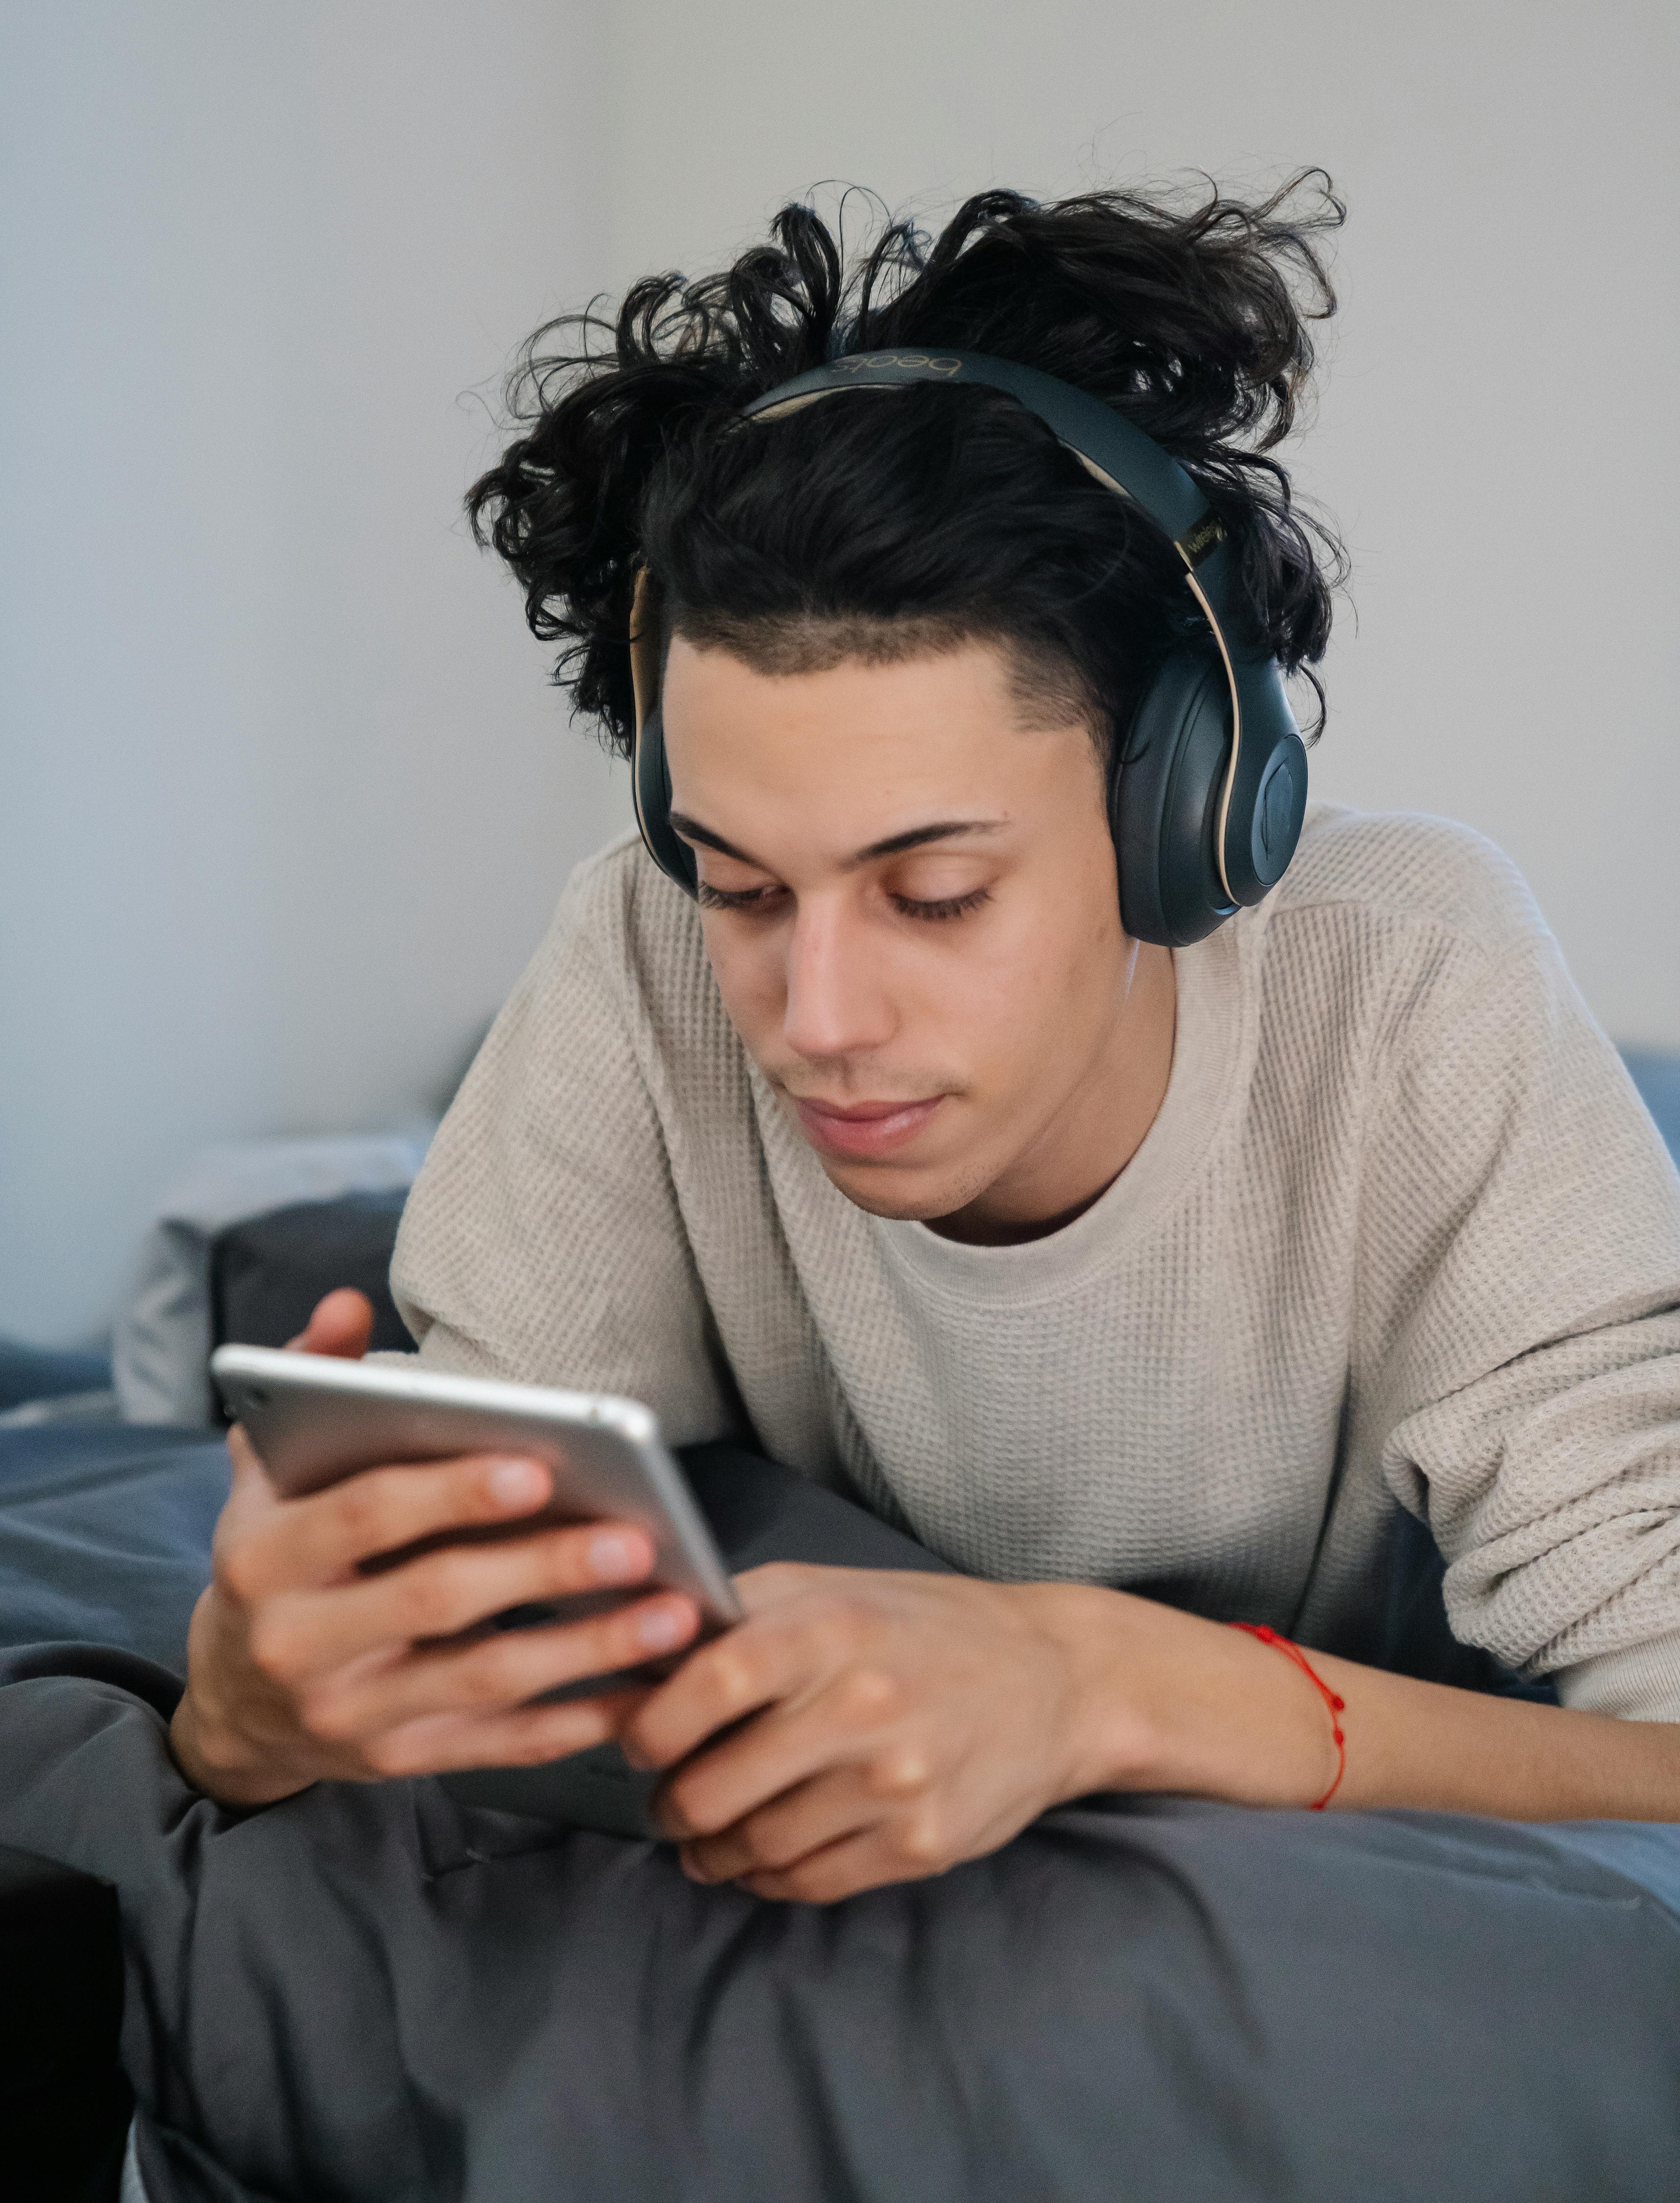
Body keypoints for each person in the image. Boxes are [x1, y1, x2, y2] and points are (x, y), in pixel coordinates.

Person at [169, 177, 1680, 1908]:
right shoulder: (637, 950)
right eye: (741, 889)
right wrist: (242, 1713)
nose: (814, 1025)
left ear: (1187, 823)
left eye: (937, 894)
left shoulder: (1414, 986)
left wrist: (1099, 1683)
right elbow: (472, 1581)